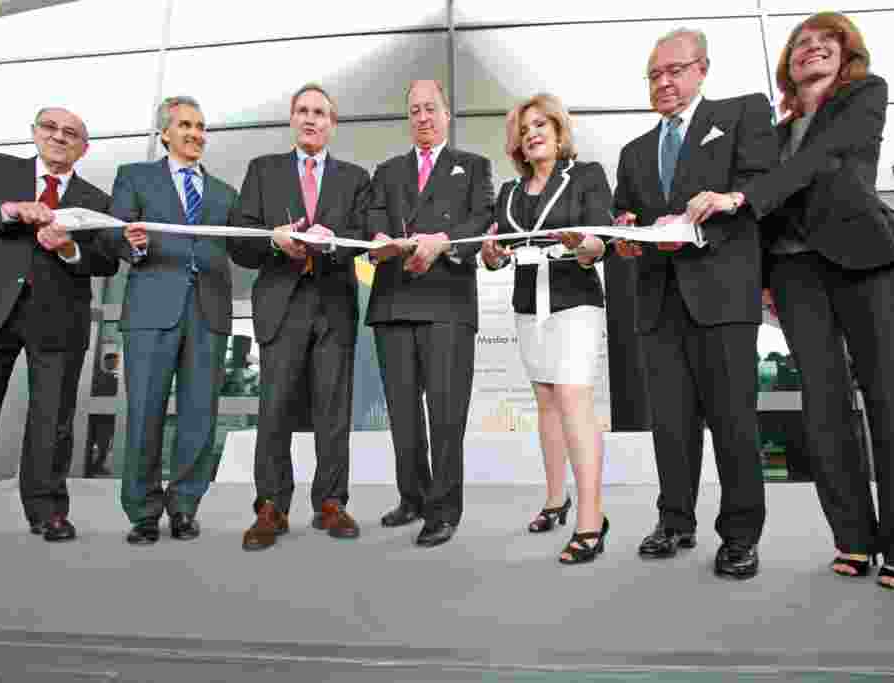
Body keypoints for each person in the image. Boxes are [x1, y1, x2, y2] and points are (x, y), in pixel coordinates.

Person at [685, 12, 894, 591]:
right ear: (788, 64)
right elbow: (770, 215)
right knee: (824, 412)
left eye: (827, 42)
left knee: (890, 402)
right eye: (801, 44)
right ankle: (853, 539)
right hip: (799, 276)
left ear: (846, 55)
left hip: (869, 266)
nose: (812, 49)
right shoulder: (772, 136)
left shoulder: (862, 99)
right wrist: (764, 279)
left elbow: (819, 163)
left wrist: (741, 195)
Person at [612, 28, 777, 579]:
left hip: (722, 295)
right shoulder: (634, 152)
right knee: (671, 425)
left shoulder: (742, 114)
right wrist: (625, 232)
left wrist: (727, 201)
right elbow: (625, 219)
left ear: (702, 68)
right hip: (658, 302)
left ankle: (740, 535)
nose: (664, 82)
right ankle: (675, 520)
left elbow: (764, 187)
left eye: (674, 71)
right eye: (654, 75)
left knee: (733, 421)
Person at [0, 108, 119, 564]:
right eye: (51, 129)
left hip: (58, 317)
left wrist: (69, 247)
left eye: (71, 134)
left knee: (54, 420)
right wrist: (9, 210)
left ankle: (48, 512)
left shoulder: (96, 199)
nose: (59, 137)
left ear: (83, 148)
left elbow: (107, 260)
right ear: (35, 134)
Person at [229, 83, 370, 551]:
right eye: (303, 111)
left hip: (332, 302)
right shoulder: (263, 171)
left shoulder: (354, 178)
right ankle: (271, 505)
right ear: (292, 118)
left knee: (334, 411)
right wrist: (274, 239)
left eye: (321, 113)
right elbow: (239, 239)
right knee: (275, 410)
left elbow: (364, 236)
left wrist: (332, 241)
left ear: (332, 124)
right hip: (281, 302)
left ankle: (330, 501)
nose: (311, 119)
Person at [480, 94, 610, 564]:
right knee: (547, 401)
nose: (532, 133)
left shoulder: (587, 176)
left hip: (575, 299)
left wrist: (585, 244)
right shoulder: (510, 193)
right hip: (527, 303)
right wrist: (492, 256)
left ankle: (592, 521)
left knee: (574, 397)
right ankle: (557, 500)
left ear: (558, 132)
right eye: (525, 128)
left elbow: (603, 240)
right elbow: (496, 252)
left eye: (541, 125)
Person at [104, 96, 238, 546]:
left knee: (200, 415)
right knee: (145, 412)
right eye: (185, 125)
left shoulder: (223, 192)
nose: (195, 134)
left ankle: (184, 506)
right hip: (151, 309)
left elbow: (243, 242)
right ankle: (142, 512)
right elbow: (113, 235)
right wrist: (134, 244)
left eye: (201, 126)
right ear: (164, 133)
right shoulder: (135, 177)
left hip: (208, 310)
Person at [366, 79, 494, 547]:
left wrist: (443, 243)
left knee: (445, 412)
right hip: (393, 299)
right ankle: (413, 497)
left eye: (431, 108)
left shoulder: (474, 167)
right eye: (415, 110)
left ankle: (444, 509)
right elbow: (374, 219)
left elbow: (482, 219)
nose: (423, 117)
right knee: (402, 413)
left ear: (447, 114)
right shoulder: (387, 170)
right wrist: (383, 243)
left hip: (448, 302)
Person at [85, 351, 120, 477]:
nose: (115, 364)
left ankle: (95, 467)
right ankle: (92, 467)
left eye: (116, 362)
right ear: (106, 362)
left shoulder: (116, 379)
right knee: (101, 445)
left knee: (104, 445)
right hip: (98, 417)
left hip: (108, 417)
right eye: (113, 361)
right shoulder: (99, 377)